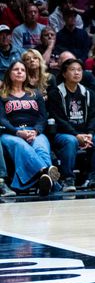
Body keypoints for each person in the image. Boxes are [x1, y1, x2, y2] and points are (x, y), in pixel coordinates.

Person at [48, 58, 95, 191]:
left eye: (79, 70)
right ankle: (67, 180)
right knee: (70, 141)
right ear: (64, 74)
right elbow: (59, 119)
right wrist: (76, 135)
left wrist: (90, 134)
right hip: (63, 134)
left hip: (85, 134)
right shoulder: (55, 94)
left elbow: (94, 116)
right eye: (72, 70)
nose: (77, 73)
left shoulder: (88, 93)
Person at [0, 61, 58, 196]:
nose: (20, 72)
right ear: (9, 73)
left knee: (41, 146)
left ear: (26, 75)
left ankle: (44, 180)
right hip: (11, 132)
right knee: (21, 145)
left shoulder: (35, 94)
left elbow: (43, 117)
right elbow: (2, 119)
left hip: (34, 130)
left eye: (22, 70)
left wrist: (36, 131)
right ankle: (46, 172)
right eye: (16, 69)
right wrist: (17, 132)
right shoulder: (2, 95)